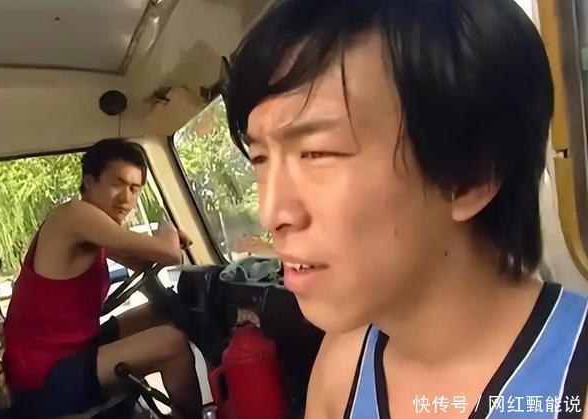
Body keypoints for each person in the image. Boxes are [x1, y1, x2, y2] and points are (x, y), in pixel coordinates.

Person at [224, 0, 588, 417]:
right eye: (260, 159)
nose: (272, 213)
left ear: (468, 177)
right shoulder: (343, 363)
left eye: (317, 153)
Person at [3, 139, 202, 418]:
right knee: (173, 343)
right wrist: (167, 227)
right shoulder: (74, 215)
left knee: (159, 312)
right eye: (117, 184)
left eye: (134, 189)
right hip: (44, 380)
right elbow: (169, 254)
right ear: (90, 181)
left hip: (70, 352)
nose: (126, 198)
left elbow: (143, 263)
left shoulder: (95, 232)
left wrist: (162, 245)